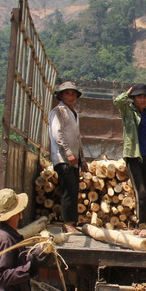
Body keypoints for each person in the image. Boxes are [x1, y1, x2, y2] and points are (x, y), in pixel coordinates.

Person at [114, 84, 146, 234]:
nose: (142, 99)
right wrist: (127, 93)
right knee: (141, 192)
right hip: (133, 156)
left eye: (144, 96)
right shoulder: (128, 111)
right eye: (139, 97)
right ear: (133, 98)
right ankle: (140, 225)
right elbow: (117, 102)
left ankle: (141, 224)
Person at [49, 81, 85, 233]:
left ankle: (72, 222)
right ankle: (67, 223)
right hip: (63, 158)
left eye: (73, 93)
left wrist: (82, 159)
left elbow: (77, 137)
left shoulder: (73, 113)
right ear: (61, 96)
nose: (70, 96)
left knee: (73, 189)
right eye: (67, 93)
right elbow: (57, 133)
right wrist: (68, 152)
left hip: (73, 159)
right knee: (68, 190)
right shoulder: (58, 112)